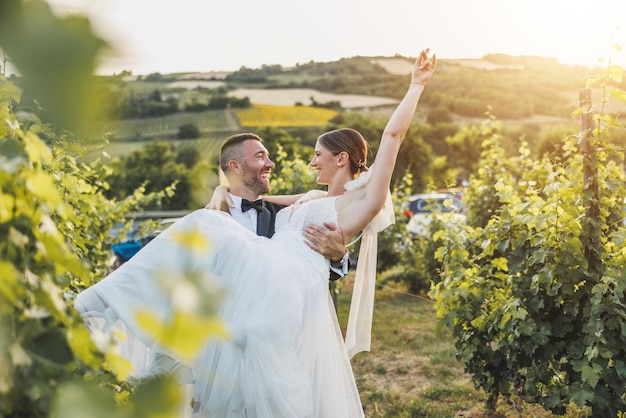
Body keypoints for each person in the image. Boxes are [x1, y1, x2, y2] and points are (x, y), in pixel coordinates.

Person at [74, 49, 436, 418]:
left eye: (316, 154)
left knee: (206, 224)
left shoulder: (360, 202)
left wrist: (416, 85)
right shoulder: (310, 198)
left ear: (341, 158)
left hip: (289, 282)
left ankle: (99, 303)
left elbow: (392, 135)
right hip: (265, 278)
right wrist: (222, 192)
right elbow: (267, 198)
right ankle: (165, 363)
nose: (311, 161)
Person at [209, 132, 350, 280]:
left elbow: (320, 267)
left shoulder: (287, 214)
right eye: (260, 157)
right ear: (236, 167)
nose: (271, 164)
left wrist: (338, 256)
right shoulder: (211, 217)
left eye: (268, 157)